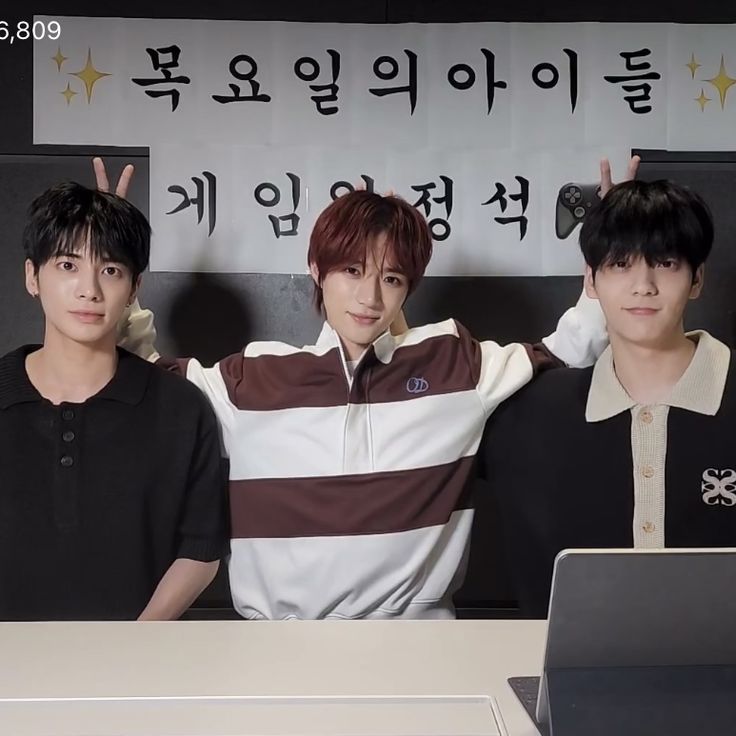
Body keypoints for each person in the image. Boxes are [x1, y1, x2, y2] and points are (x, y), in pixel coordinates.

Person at [115, 157, 637, 620]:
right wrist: (110, 248)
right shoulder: (252, 377)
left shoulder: (456, 362)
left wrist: (615, 239)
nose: (368, 296)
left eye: (391, 278)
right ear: (316, 270)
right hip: (276, 651)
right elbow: (146, 375)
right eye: (352, 270)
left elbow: (572, 345)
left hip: (417, 650)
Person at [481, 178, 734, 617]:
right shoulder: (529, 416)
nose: (643, 285)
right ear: (591, 281)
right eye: (620, 263)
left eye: (666, 263)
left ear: (697, 280)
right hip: (568, 677)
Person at [0, 181, 227, 621]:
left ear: (134, 285)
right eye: (68, 265)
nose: (89, 290)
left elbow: (201, 548)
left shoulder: (180, 408)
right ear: (32, 276)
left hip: (139, 671)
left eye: (110, 270)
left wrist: (133, 645)